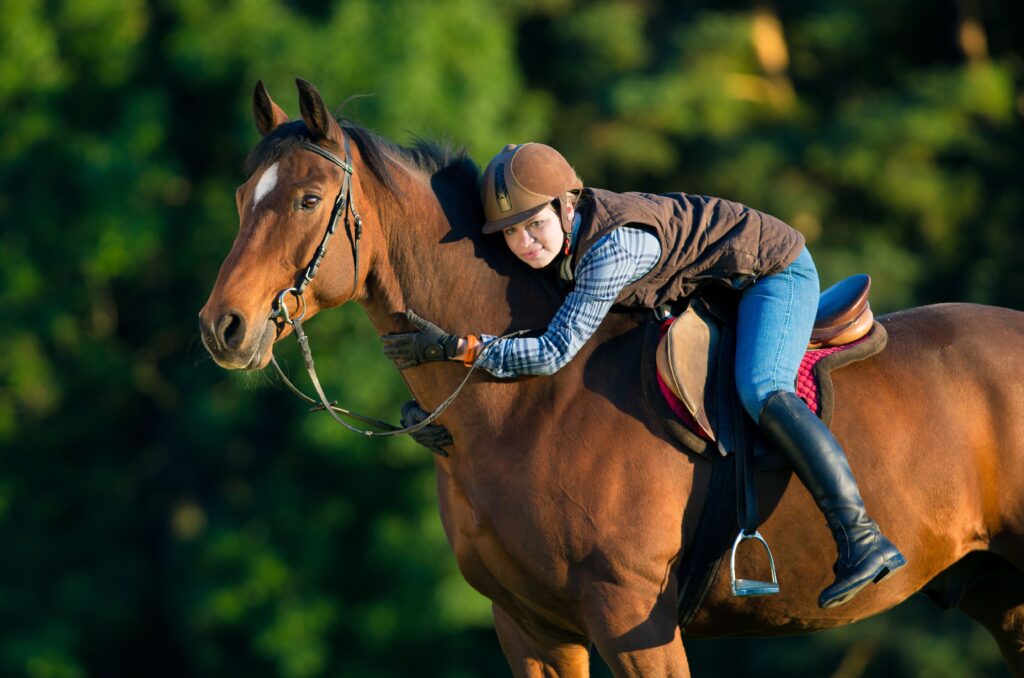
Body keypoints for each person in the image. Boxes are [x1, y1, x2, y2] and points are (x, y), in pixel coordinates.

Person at [382, 142, 906, 609]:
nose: (524, 243)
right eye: (511, 233)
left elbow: (553, 351)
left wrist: (464, 349)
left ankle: (861, 536)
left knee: (761, 387)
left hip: (772, 272)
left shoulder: (612, 250)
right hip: (711, 277)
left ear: (568, 205)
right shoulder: (563, 243)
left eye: (533, 224)